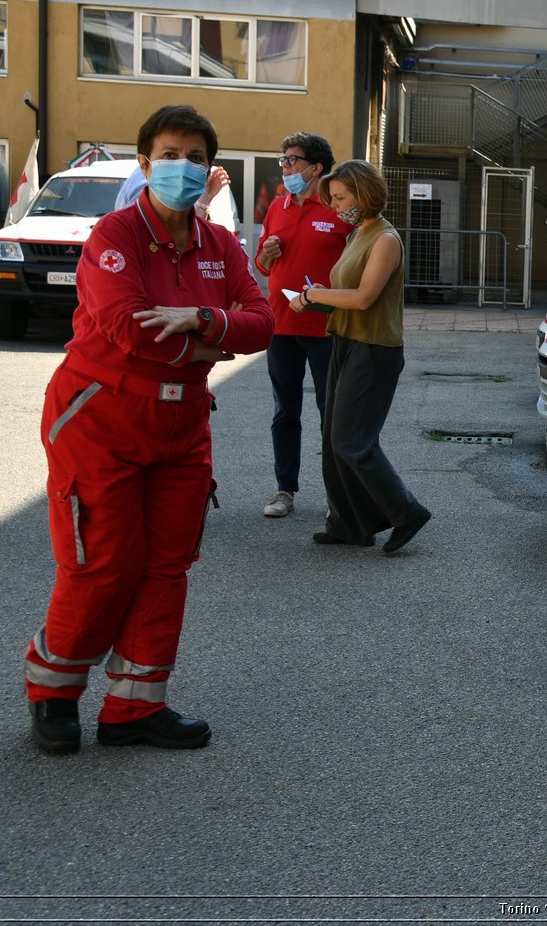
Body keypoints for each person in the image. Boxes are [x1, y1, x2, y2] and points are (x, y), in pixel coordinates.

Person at [23, 105, 274, 754]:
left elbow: (261, 320)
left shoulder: (219, 244)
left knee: (168, 564)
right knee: (101, 562)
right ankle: (52, 692)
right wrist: (214, 337)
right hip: (99, 418)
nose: (182, 168)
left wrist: (200, 321)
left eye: (194, 157)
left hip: (182, 424)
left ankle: (134, 706)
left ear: (209, 167)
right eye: (169, 154)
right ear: (144, 163)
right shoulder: (115, 234)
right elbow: (127, 326)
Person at [289, 159, 430, 554]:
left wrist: (314, 295)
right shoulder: (356, 235)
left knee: (352, 440)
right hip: (346, 342)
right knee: (334, 439)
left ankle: (407, 512)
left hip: (375, 349)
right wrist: (315, 297)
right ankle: (349, 524)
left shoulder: (385, 238)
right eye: (331, 199)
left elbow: (364, 298)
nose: (334, 206)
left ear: (363, 193)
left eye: (340, 197)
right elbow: (346, 297)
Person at [253, 134, 353, 519]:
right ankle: (284, 491)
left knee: (331, 414)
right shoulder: (277, 207)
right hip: (281, 324)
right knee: (284, 411)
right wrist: (265, 254)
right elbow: (263, 266)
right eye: (284, 161)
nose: (286, 168)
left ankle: (337, 495)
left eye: (293, 161)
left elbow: (358, 265)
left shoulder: (338, 211)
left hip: (326, 327)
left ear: (316, 168)